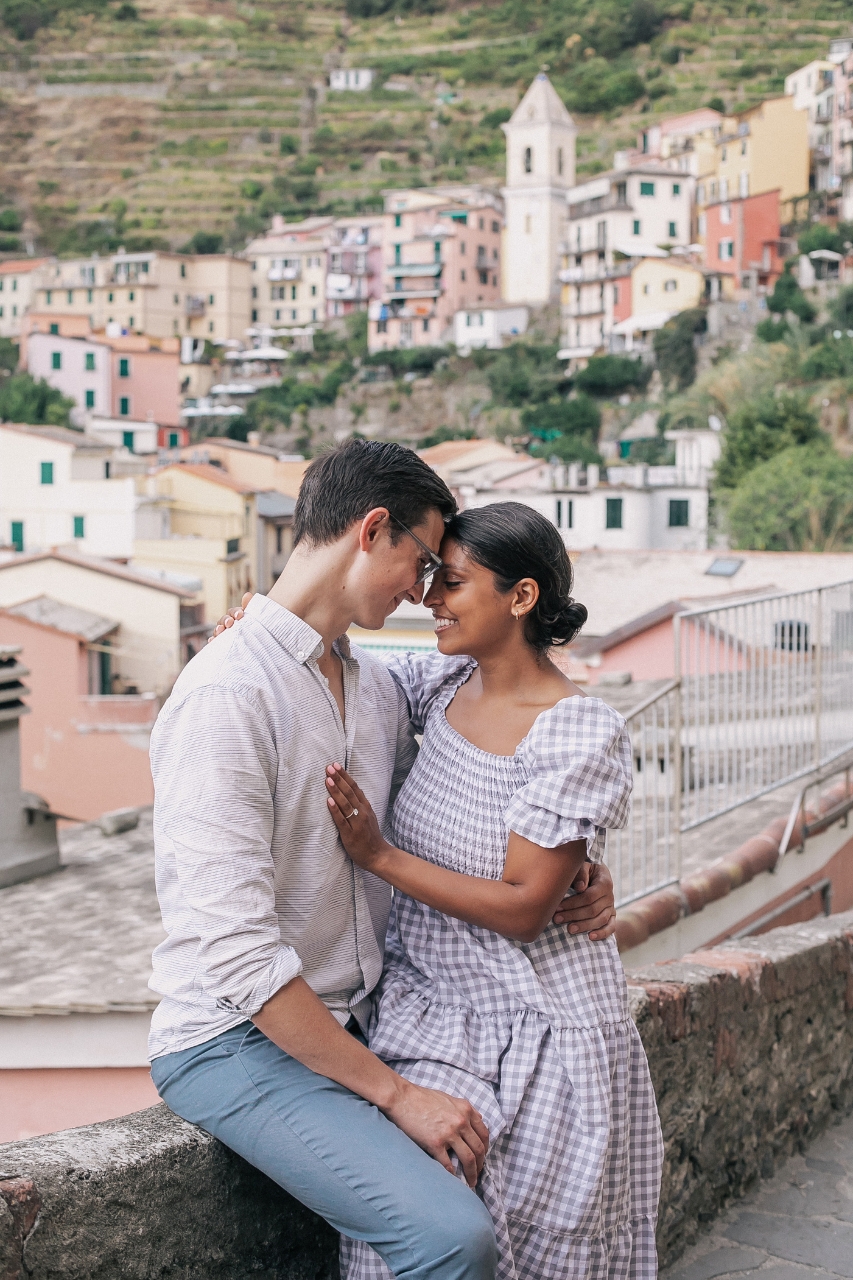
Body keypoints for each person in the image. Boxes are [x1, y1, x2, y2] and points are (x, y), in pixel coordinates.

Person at [147, 440, 618, 1280]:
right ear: (372, 530)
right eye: (422, 560)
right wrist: (397, 1094)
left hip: (357, 1016)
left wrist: (578, 871)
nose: (425, 589)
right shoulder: (227, 695)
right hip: (235, 1040)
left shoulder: (375, 686)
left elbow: (492, 766)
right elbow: (238, 959)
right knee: (449, 1236)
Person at [322, 503, 664, 1280]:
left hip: (541, 1031)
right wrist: (258, 621)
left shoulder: (575, 731)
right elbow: (329, 663)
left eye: (453, 581)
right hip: (429, 1011)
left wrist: (377, 855)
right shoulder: (439, 683)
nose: (431, 597)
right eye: (432, 576)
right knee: (399, 1241)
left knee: (538, 1253)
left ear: (520, 597)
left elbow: (522, 908)